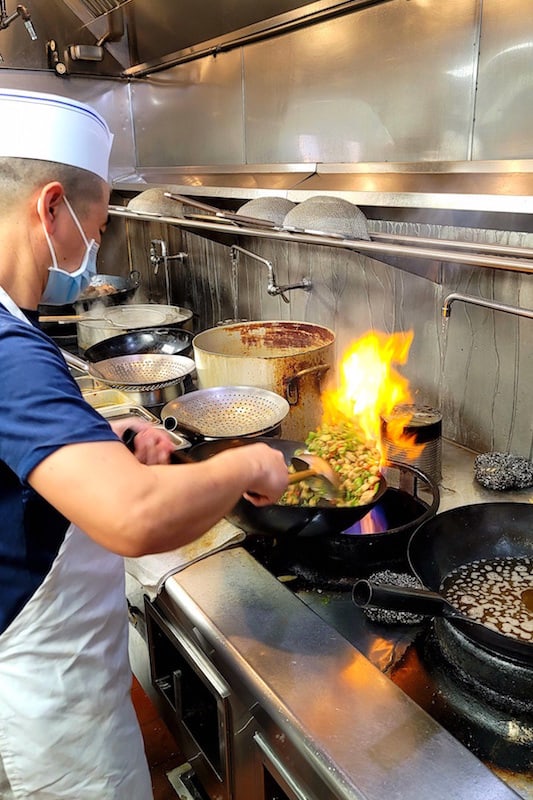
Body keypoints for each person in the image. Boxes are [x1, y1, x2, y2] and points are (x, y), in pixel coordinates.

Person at [0, 88, 288, 799]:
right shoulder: (9, 351)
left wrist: (104, 434)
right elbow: (133, 518)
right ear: (50, 207)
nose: (92, 248)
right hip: (44, 701)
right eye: (95, 228)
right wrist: (249, 461)